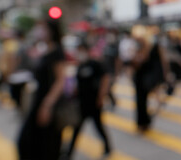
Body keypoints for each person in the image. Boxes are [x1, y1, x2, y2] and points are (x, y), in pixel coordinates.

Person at [17, 19, 67, 160]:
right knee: (30, 143)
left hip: (48, 102)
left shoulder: (57, 51)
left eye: (43, 28)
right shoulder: (44, 50)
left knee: (45, 145)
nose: (39, 31)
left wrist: (47, 105)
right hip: (38, 99)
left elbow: (60, 81)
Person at [66, 43, 112, 159]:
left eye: (81, 50)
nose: (79, 54)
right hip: (82, 103)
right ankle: (68, 153)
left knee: (98, 126)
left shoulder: (95, 64)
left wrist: (101, 97)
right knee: (76, 129)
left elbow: (105, 78)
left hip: (94, 102)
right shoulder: (80, 66)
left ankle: (108, 147)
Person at [133, 35, 169, 133]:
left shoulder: (150, 48)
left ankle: (144, 121)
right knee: (141, 101)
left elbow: (161, 61)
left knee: (142, 100)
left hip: (147, 77)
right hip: (140, 78)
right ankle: (143, 122)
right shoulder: (138, 48)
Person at [103, 31, 119, 109]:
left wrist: (116, 73)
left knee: (108, 88)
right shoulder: (106, 47)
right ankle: (112, 101)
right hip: (106, 71)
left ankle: (113, 101)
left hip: (111, 72)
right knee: (107, 88)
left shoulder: (115, 47)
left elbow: (117, 61)